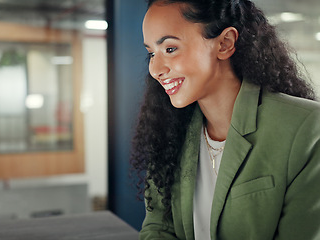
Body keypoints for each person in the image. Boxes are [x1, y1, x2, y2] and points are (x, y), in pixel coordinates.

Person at [131, 0, 320, 239]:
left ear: (224, 43)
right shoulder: (169, 130)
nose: (155, 68)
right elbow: (158, 228)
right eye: (151, 53)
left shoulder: (306, 127)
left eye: (170, 49)